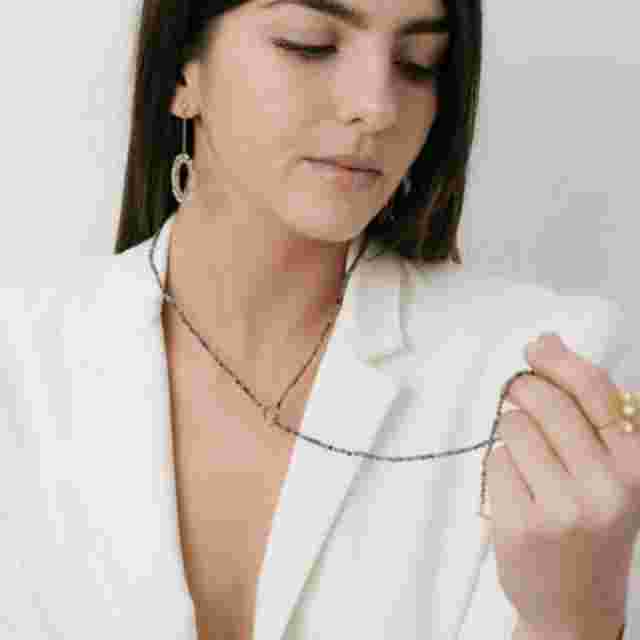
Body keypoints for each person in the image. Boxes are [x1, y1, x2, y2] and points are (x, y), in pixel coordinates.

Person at [1, 1, 636, 639]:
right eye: (309, 44)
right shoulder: (21, 361)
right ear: (182, 73)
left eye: (419, 64)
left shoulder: (541, 374)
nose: (377, 106)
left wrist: (573, 617)